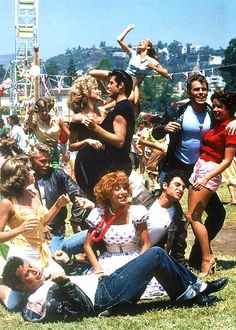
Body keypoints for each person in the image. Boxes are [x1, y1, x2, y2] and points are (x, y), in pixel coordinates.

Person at [1, 249, 228, 322]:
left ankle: (194, 290)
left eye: (32, 267)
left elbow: (80, 279)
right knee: (156, 255)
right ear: (21, 287)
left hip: (106, 283)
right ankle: (197, 290)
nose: (35, 271)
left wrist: (68, 263)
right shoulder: (36, 300)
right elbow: (77, 311)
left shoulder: (45, 282)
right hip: (105, 296)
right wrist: (64, 285)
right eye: (28, 274)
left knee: (157, 257)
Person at [152, 73, 236, 269]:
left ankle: (198, 256)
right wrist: (165, 127)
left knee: (216, 214)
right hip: (175, 166)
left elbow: (227, 116)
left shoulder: (211, 112)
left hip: (200, 168)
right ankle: (158, 257)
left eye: (203, 89)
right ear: (189, 91)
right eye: (196, 89)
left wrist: (235, 120)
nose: (201, 93)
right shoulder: (178, 111)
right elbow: (156, 132)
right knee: (165, 212)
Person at [84, 171, 165, 299]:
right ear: (107, 193)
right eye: (117, 189)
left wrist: (138, 267)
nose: (123, 192)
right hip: (108, 261)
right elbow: (87, 245)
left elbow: (146, 244)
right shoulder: (98, 214)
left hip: (134, 258)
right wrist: (98, 270)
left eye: (124, 188)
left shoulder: (136, 211)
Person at [186, 90, 236, 277]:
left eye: (219, 106)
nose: (215, 109)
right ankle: (204, 256)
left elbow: (227, 161)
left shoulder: (231, 128)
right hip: (199, 167)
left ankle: (207, 257)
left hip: (209, 171)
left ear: (229, 108)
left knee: (194, 216)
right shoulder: (219, 124)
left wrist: (206, 178)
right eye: (213, 105)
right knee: (192, 215)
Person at [0, 155, 70, 270]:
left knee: (60, 277)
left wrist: (58, 205)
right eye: (29, 169)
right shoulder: (7, 203)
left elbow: (43, 222)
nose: (33, 171)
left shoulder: (33, 193)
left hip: (42, 250)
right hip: (22, 254)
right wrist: (19, 229)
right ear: (19, 176)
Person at [29, 143, 94, 252]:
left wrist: (75, 219)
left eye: (49, 161)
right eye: (42, 161)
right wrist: (41, 224)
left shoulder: (57, 174)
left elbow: (78, 195)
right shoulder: (25, 178)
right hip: (32, 230)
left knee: (53, 257)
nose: (47, 165)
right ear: (31, 160)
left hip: (55, 230)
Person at [90, 24, 169, 107]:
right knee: (92, 73)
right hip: (122, 75)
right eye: (140, 41)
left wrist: (153, 67)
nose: (140, 42)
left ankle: (106, 107)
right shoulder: (133, 54)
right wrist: (128, 29)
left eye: (143, 42)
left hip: (132, 81)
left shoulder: (151, 60)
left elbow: (166, 74)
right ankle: (105, 91)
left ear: (148, 47)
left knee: (131, 98)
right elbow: (119, 40)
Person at [132, 170, 188, 263]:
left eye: (183, 187)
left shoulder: (179, 217)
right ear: (165, 185)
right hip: (125, 249)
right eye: (177, 185)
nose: (181, 189)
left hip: (148, 257)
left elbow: (179, 248)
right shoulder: (143, 199)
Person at [68, 75, 106, 200]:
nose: (99, 90)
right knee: (92, 197)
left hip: (105, 160)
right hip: (86, 164)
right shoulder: (78, 118)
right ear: (85, 92)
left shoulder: (104, 113)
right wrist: (87, 141)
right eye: (95, 88)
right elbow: (72, 146)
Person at [27, 97, 70, 168]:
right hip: (41, 153)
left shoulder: (57, 120)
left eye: (46, 110)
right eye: (41, 111)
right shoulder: (36, 122)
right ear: (37, 112)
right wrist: (30, 113)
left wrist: (68, 149)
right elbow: (29, 124)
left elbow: (69, 134)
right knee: (42, 172)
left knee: (55, 171)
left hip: (55, 151)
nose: (44, 113)